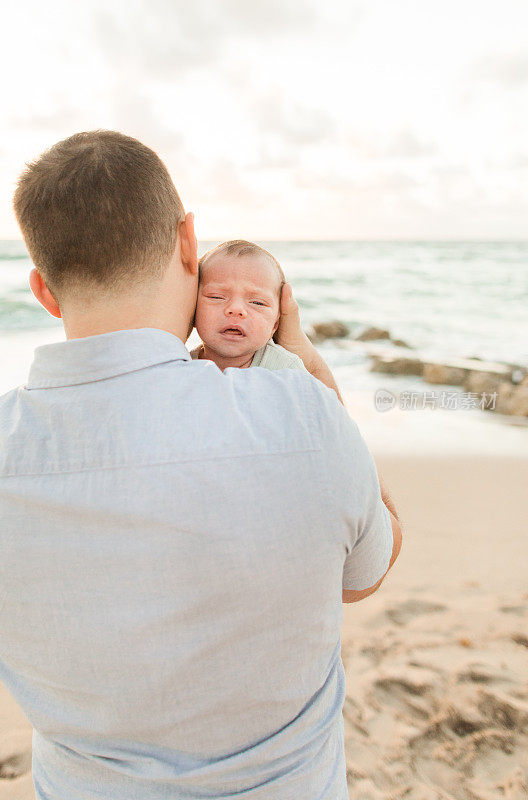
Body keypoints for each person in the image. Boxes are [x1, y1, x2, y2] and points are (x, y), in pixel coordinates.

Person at [0, 130, 402, 800]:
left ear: (44, 291)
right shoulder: (302, 414)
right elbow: (361, 575)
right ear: (188, 242)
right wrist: (303, 365)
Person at [190, 239, 306, 372]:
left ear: (275, 324)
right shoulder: (183, 368)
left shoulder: (285, 369)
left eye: (257, 303)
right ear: (193, 309)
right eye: (216, 297)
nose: (236, 309)